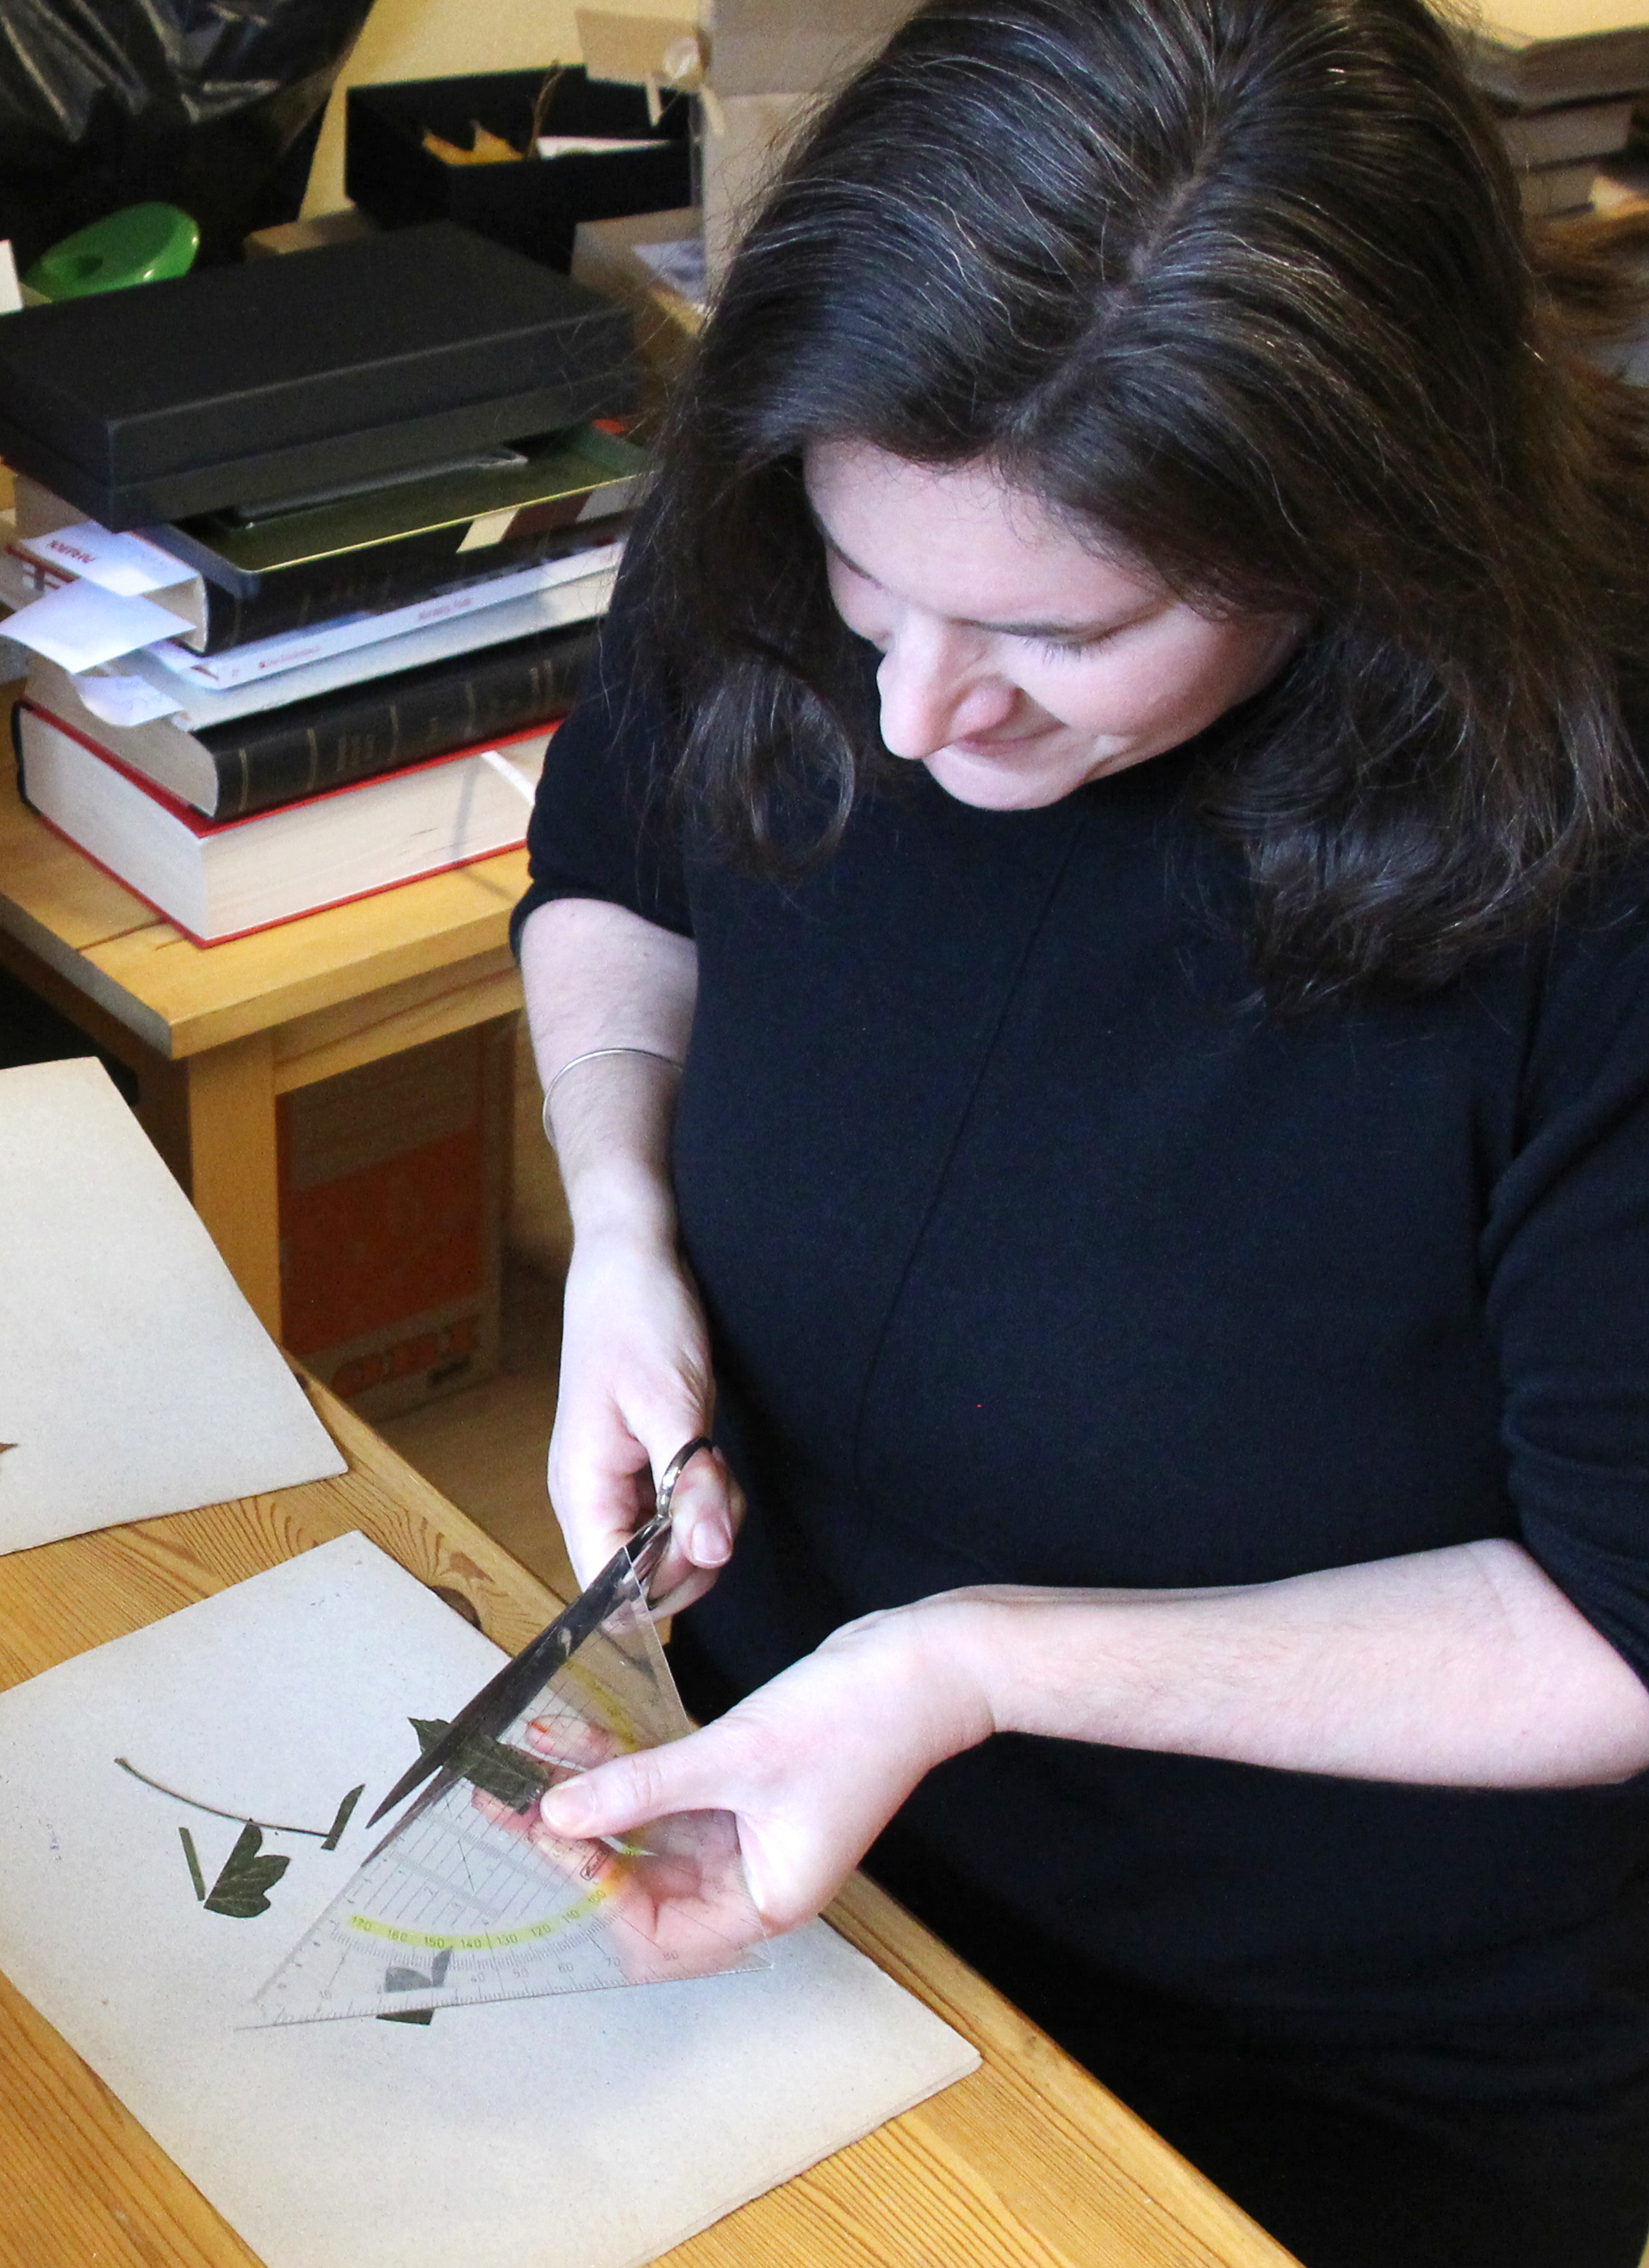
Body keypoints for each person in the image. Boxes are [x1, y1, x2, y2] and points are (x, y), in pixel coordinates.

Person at [511, 1, 1649, 2262]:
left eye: (1064, 630)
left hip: (1319, 2057)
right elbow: (623, 863)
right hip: (797, 1856)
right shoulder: (822, 491)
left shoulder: (1595, 849)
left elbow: (1615, 1630)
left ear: (1360, 535)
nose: (920, 714)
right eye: (867, 594)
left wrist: (973, 1663)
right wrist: (622, 1216)